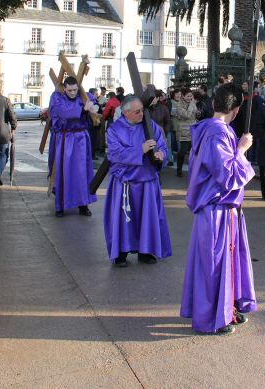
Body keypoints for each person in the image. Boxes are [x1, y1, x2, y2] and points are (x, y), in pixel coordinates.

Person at [180, 83, 256, 335]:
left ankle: (227, 310)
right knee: (213, 266)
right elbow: (227, 175)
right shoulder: (217, 133)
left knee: (222, 264)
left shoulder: (210, 130)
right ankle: (211, 319)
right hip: (216, 210)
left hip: (220, 210)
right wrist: (242, 150)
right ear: (235, 110)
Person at [103, 96, 172, 267]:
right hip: (124, 182)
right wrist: (139, 150)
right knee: (123, 219)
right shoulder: (114, 130)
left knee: (147, 217)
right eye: (137, 112)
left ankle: (145, 251)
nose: (142, 114)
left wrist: (162, 154)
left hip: (147, 180)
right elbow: (115, 154)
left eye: (142, 110)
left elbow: (162, 145)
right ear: (126, 113)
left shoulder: (150, 125)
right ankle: (121, 253)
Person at [46, 76, 96, 216]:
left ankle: (83, 204)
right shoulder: (57, 98)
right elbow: (63, 112)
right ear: (64, 88)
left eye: (75, 90)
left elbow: (94, 103)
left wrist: (94, 106)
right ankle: (60, 206)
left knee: (82, 173)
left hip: (81, 138)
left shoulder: (84, 96)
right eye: (70, 90)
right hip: (65, 138)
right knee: (63, 172)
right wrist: (83, 110)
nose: (73, 93)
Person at [172, 87, 198, 177]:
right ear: (183, 96)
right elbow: (187, 115)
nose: (190, 98)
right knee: (182, 151)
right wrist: (192, 104)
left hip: (193, 131)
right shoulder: (178, 105)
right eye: (188, 96)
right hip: (184, 131)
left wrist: (198, 112)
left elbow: (194, 113)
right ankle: (179, 170)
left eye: (191, 96)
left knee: (194, 152)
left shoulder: (193, 103)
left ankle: (194, 171)